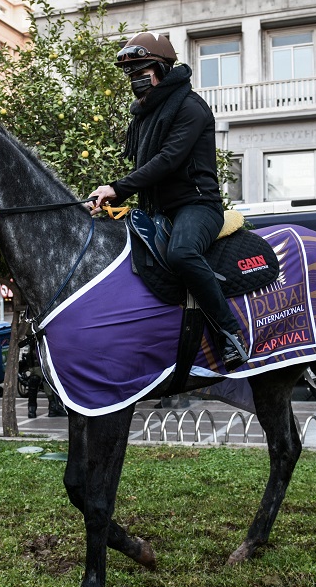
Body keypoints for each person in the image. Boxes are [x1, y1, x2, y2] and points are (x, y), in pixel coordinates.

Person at [87, 31, 249, 370]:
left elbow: (168, 160)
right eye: (129, 73)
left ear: (160, 68)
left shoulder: (191, 107)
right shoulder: (145, 114)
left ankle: (231, 333)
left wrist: (117, 187)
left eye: (140, 71)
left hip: (198, 206)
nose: (134, 79)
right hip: (157, 209)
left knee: (181, 252)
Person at [21, 340, 66, 419]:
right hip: (41, 366)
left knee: (34, 387)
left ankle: (32, 410)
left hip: (35, 367)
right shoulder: (42, 339)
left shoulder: (33, 340)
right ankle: (52, 408)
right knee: (48, 385)